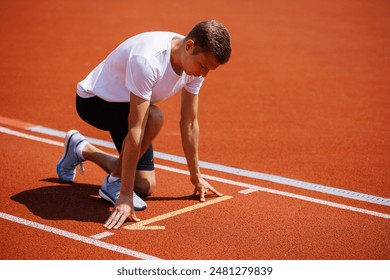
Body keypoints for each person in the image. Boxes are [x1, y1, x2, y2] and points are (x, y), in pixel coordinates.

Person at [56, 20, 232, 229]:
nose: (204, 74)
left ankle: (81, 148)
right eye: (203, 66)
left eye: (210, 69)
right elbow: (135, 128)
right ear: (189, 46)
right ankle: (113, 184)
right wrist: (124, 195)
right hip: (95, 102)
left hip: (128, 104)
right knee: (154, 118)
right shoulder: (148, 61)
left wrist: (196, 177)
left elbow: (190, 122)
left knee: (144, 185)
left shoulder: (194, 63)